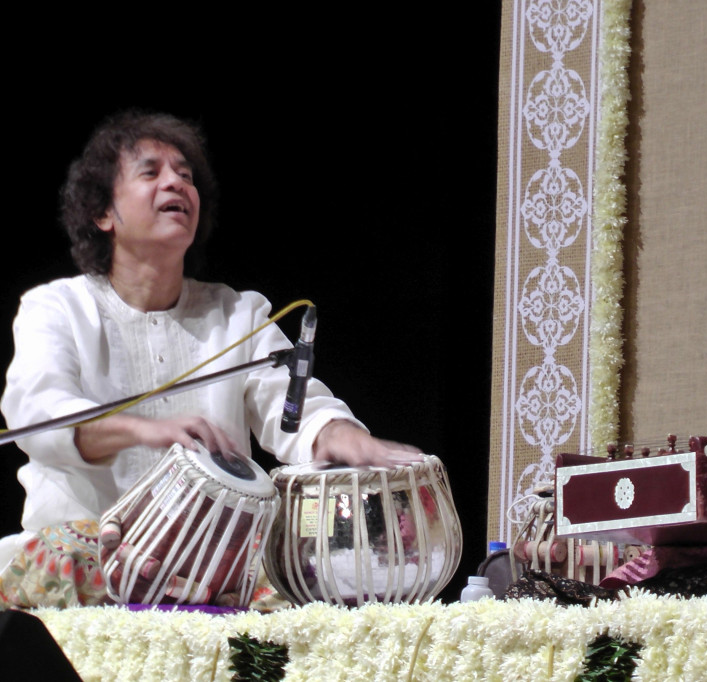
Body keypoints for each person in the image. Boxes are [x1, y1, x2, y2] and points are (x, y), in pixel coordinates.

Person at [0, 111, 423, 607]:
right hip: (92, 561)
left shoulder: (238, 313)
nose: (176, 182)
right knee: (53, 558)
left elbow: (296, 410)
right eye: (151, 171)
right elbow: (38, 416)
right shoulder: (57, 308)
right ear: (103, 213)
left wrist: (346, 438)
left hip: (214, 570)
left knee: (314, 587)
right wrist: (141, 428)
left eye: (185, 174)